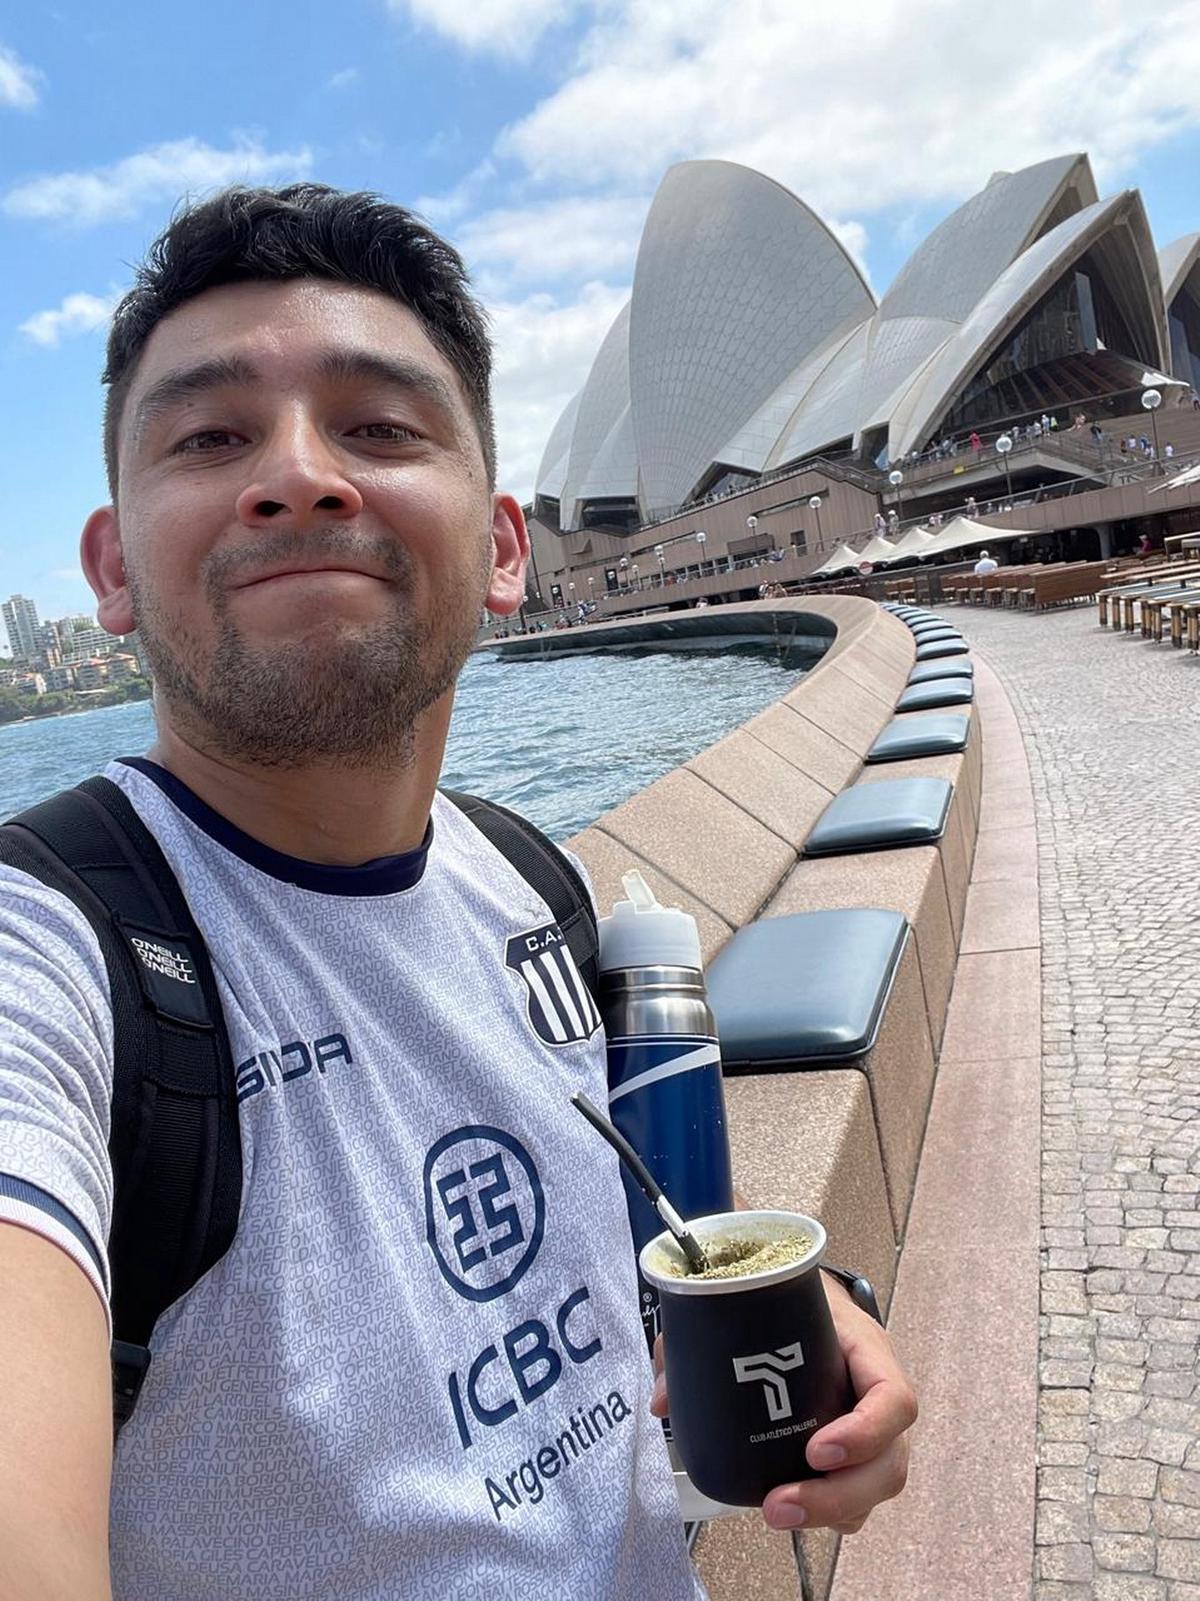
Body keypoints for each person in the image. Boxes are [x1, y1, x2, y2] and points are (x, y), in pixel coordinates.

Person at [0, 185, 916, 1600]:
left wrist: (809, 1333)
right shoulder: (51, 963)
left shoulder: (530, 879)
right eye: (208, 435)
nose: (299, 476)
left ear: (502, 548)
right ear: (113, 572)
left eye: (378, 426)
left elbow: (605, 1327)